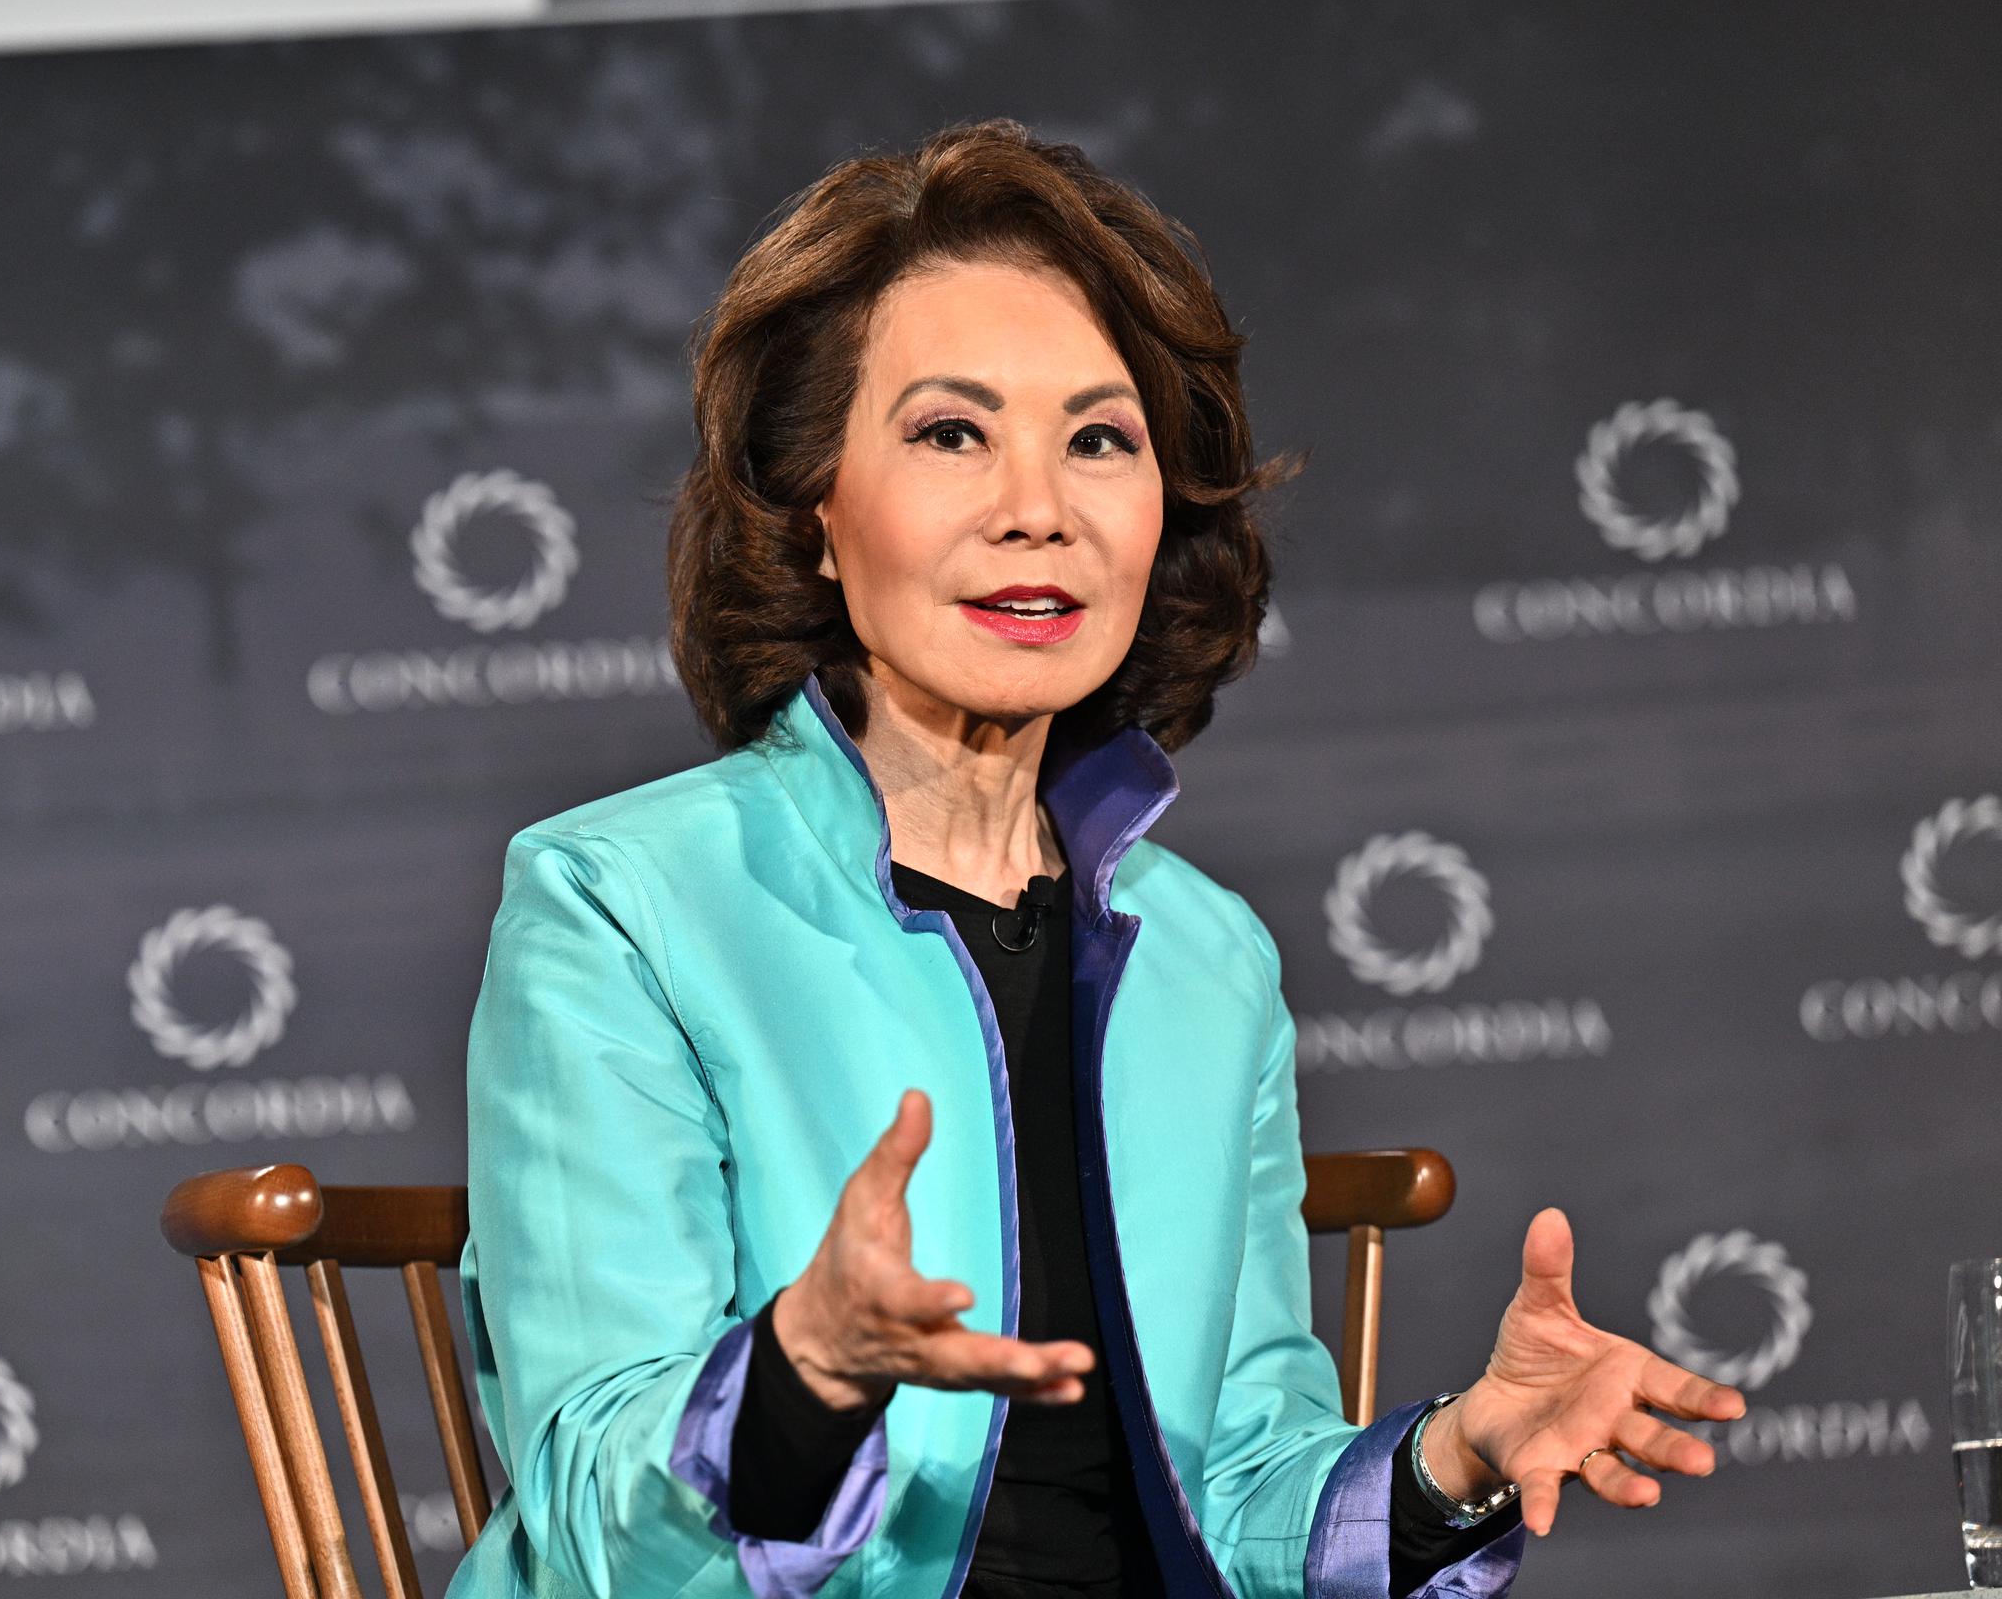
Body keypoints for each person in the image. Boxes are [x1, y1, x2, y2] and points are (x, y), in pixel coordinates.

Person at [444, 117, 1743, 1599]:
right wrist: (803, 1372)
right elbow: (588, 1509)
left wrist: (1458, 1458)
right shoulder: (622, 906)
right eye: (950, 433)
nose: (1038, 510)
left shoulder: (1206, 957)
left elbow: (1241, 1490)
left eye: (1100, 440)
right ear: (812, 512)